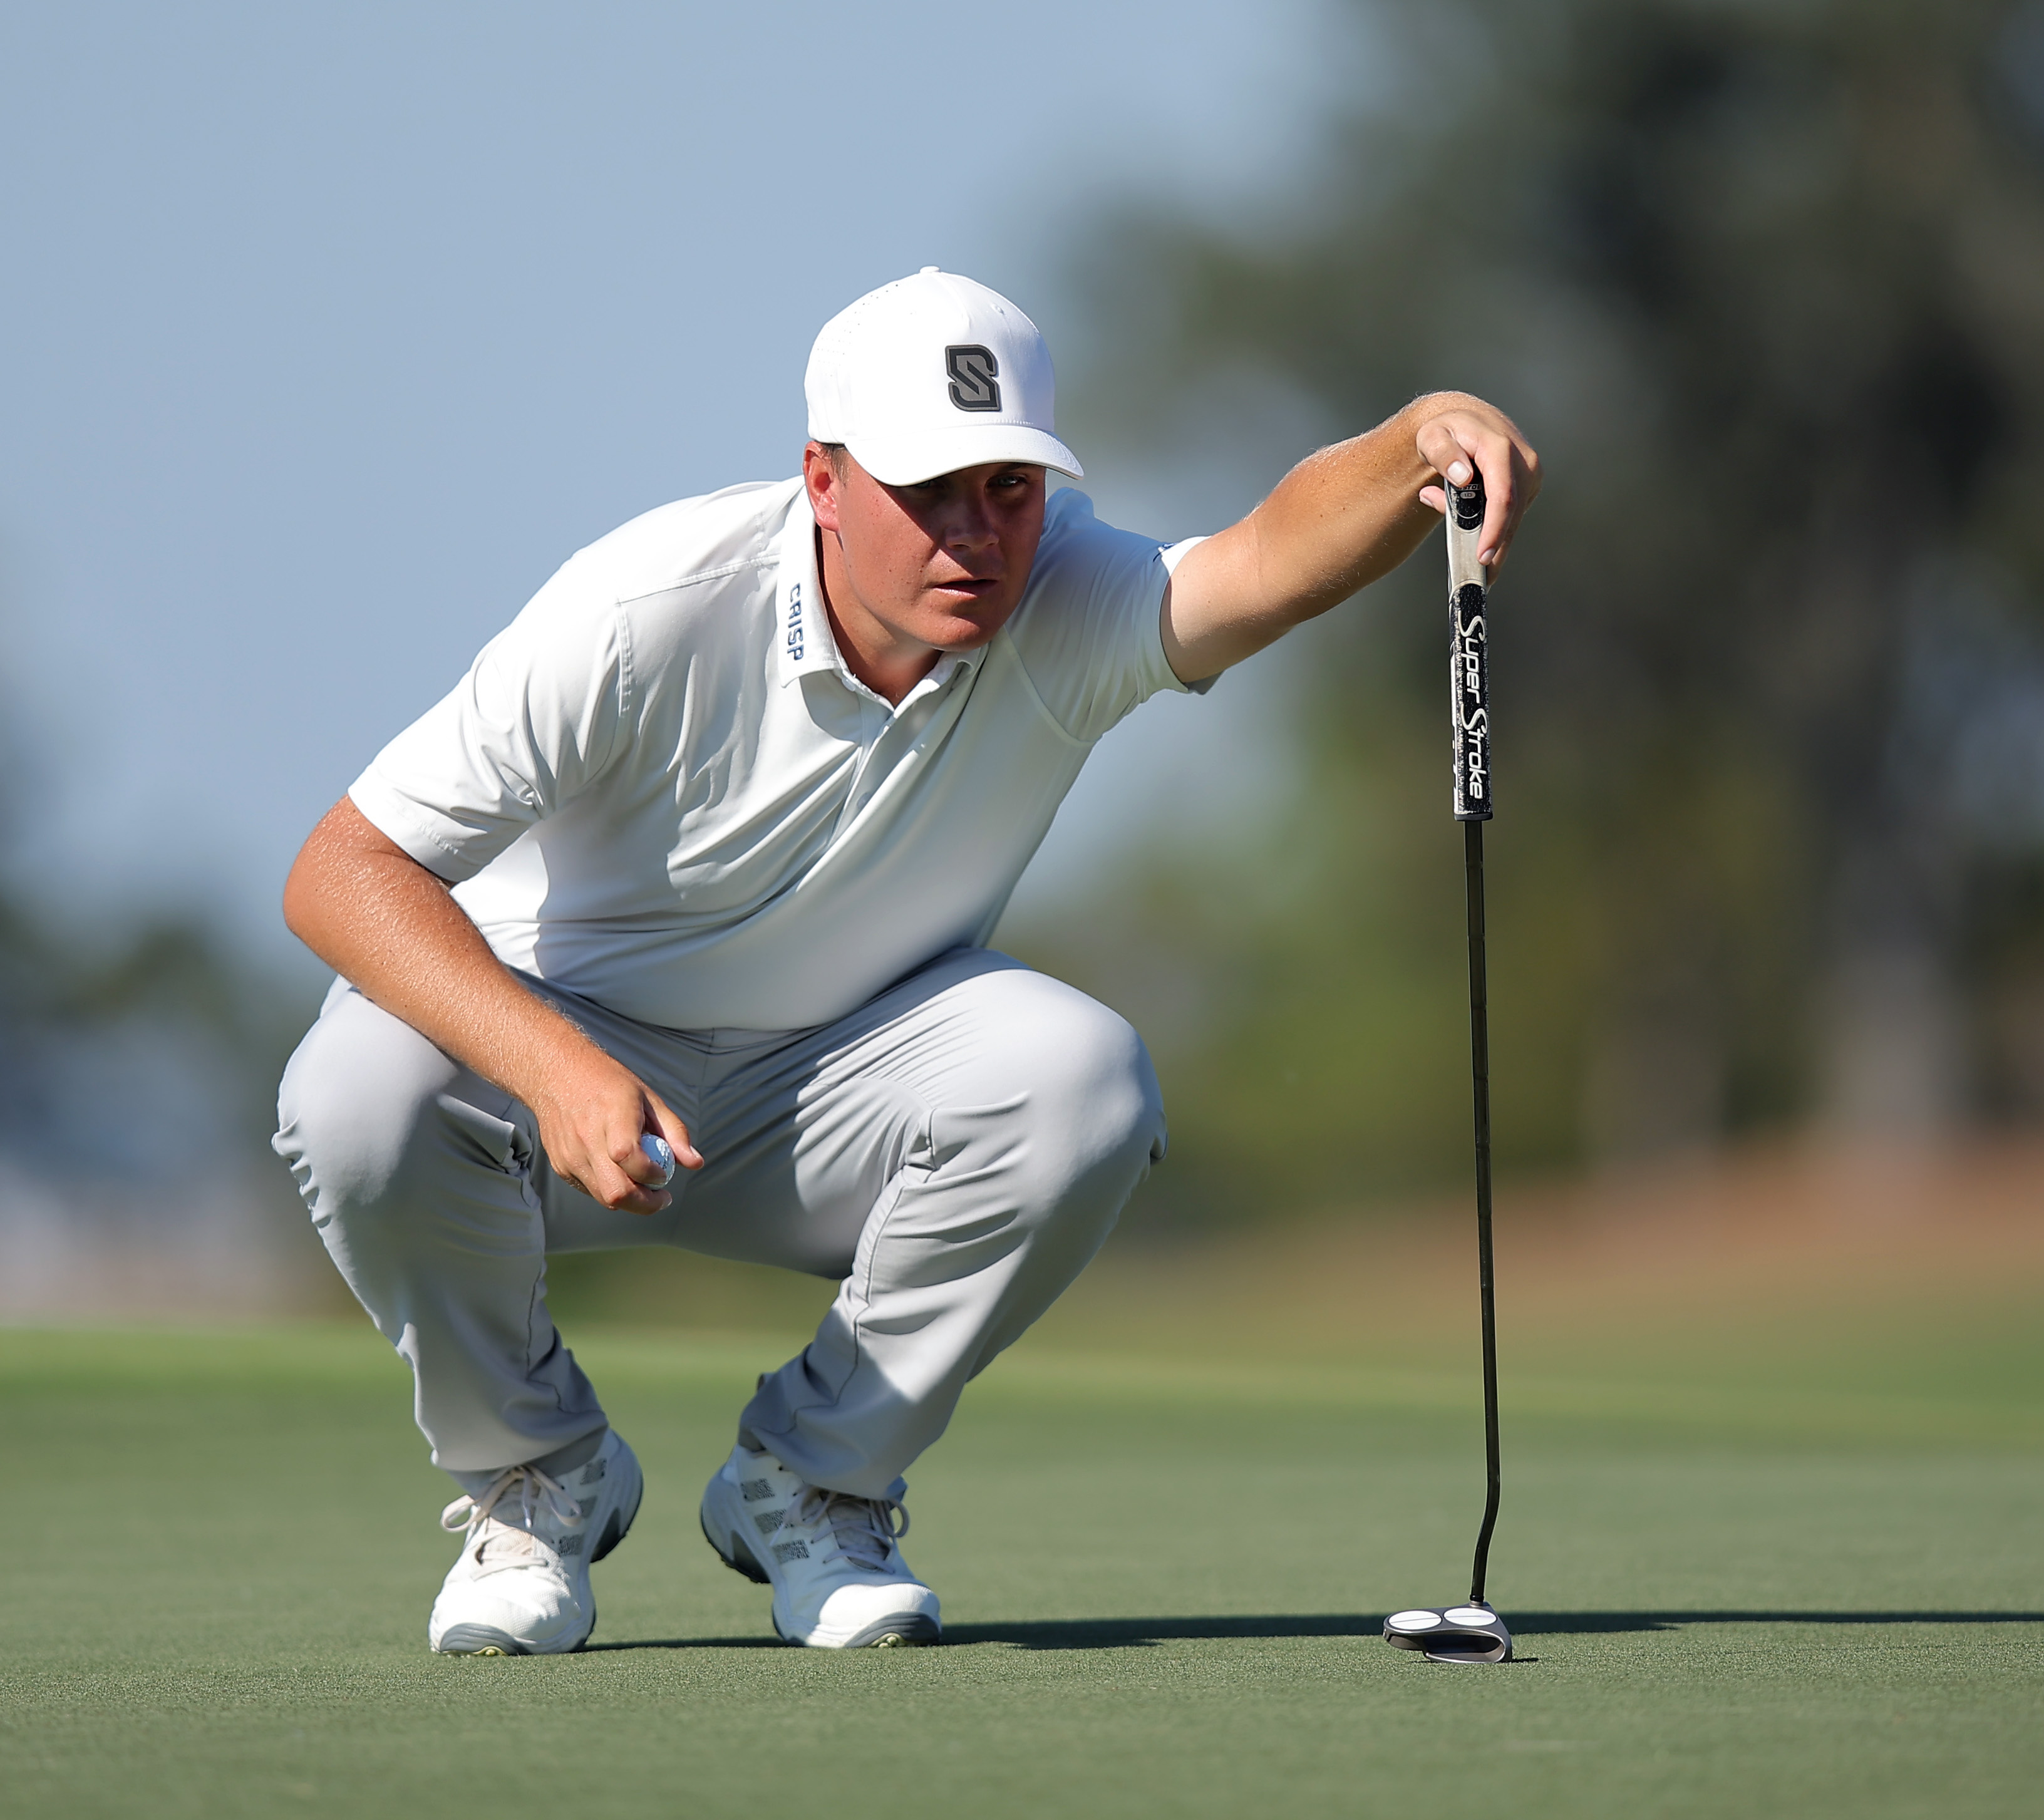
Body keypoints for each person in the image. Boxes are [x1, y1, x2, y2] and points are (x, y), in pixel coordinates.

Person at [272, 269, 1536, 1655]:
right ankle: (538, 1474)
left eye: (1007, 487)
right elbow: (341, 872)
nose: (975, 534)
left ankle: (810, 1482)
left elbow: (1261, 558)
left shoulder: (1067, 599)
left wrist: (1416, 434)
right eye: (927, 489)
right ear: (821, 478)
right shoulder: (645, 611)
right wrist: (553, 1064)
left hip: (838, 1094)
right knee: (354, 1088)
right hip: (554, 1078)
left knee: (1082, 1076)